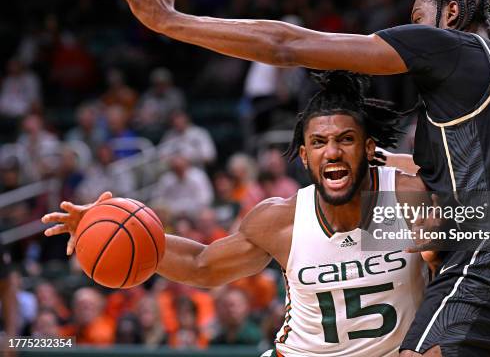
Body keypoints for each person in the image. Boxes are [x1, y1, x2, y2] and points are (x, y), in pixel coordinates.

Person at [110, 0, 490, 355]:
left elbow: (287, 45)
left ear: (452, 11)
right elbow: (446, 174)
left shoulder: (452, 47)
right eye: (322, 144)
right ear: (304, 155)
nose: (411, 30)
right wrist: (370, 160)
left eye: (417, 17)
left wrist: (171, 23)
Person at [43, 72, 428, 357]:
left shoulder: (408, 199)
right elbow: (201, 264)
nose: (332, 152)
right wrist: (105, 224)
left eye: (346, 140)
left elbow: (482, 251)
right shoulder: (283, 221)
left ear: (369, 148)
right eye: (319, 143)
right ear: (305, 155)